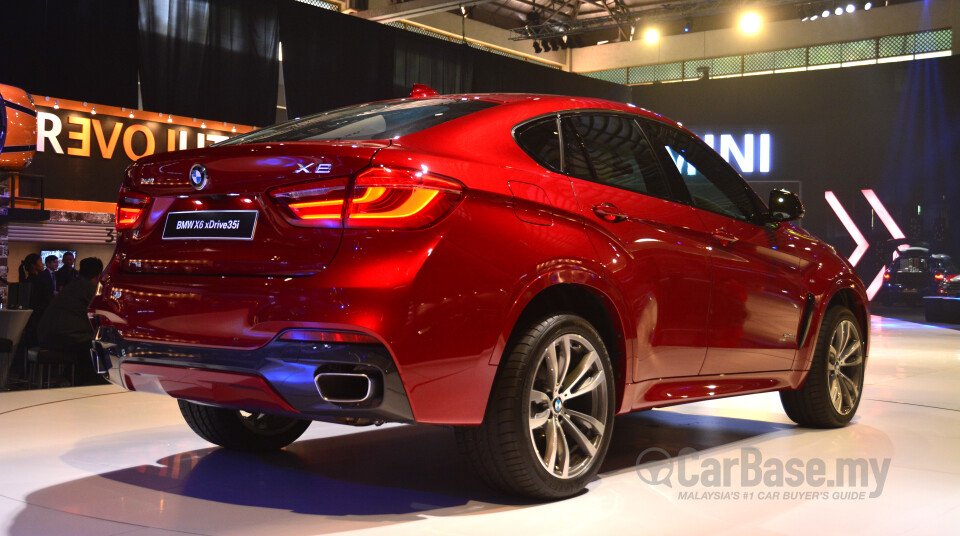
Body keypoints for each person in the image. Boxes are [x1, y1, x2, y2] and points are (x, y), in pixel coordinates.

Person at [37, 257, 105, 386]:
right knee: (99, 349)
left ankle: (67, 378)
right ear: (99, 274)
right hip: (64, 338)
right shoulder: (90, 289)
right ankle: (79, 384)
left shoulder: (73, 285)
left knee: (92, 346)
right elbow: (101, 317)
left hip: (46, 336)